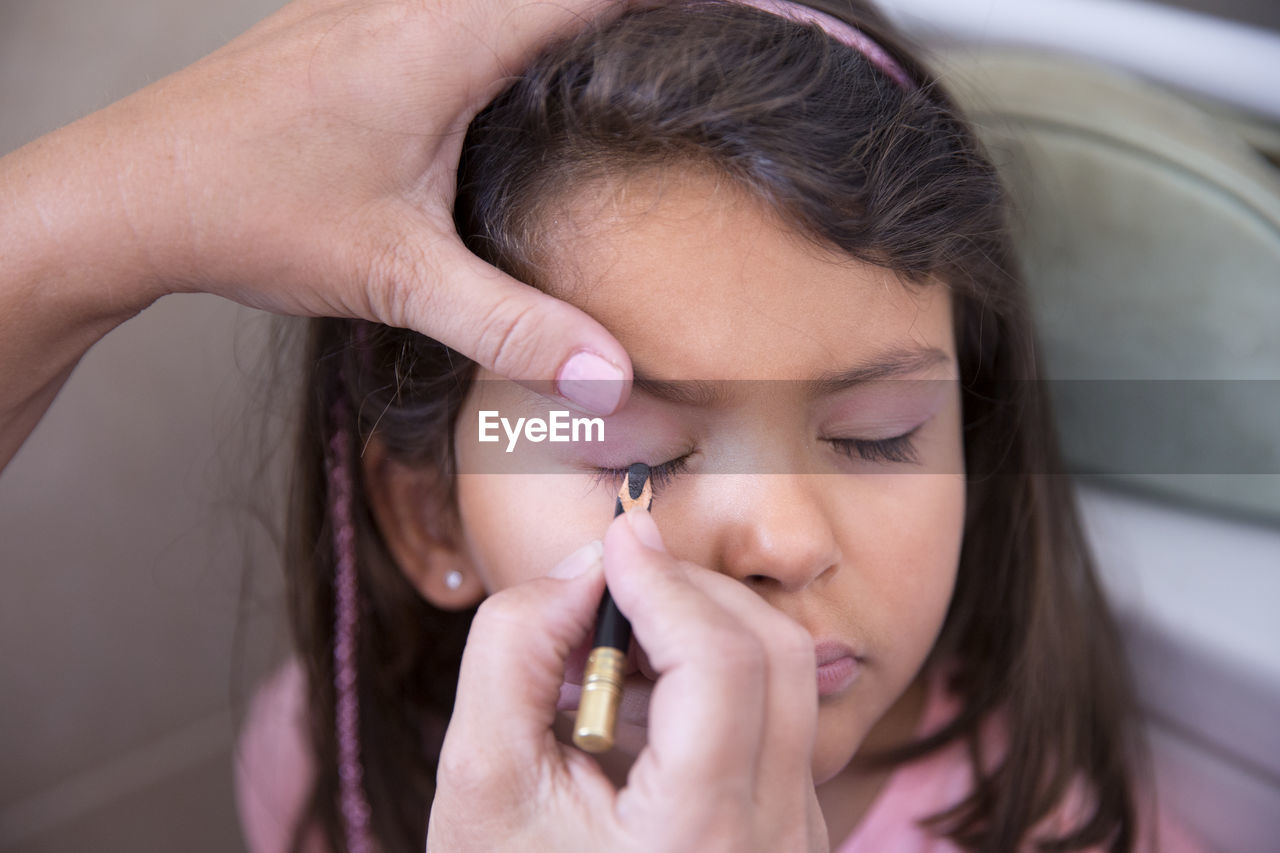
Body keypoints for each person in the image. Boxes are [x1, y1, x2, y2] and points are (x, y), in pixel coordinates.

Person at [0, 0, 1207, 852]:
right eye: (632, 453)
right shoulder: (328, 760)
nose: (783, 536)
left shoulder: (1069, 825)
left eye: (880, 434)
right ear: (429, 513)